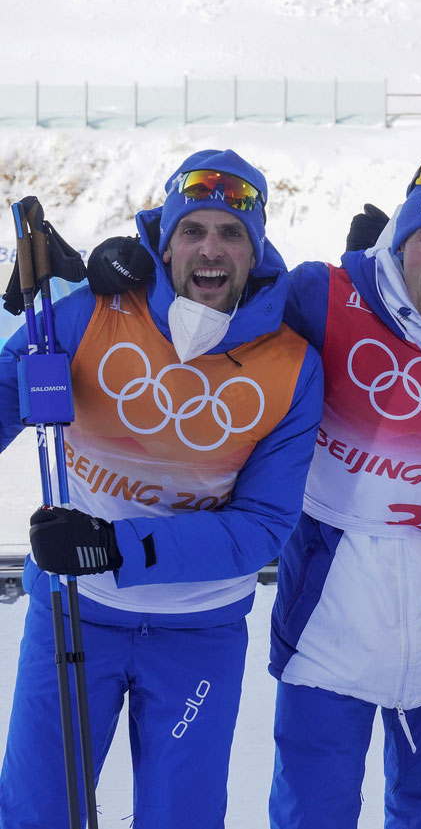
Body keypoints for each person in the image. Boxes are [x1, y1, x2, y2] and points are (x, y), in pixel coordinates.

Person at [85, 153, 421, 828]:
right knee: (314, 806)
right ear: (400, 239)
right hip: (330, 602)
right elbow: (220, 301)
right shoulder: (325, 295)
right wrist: (128, 271)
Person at [0, 149, 324, 828]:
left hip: (197, 628)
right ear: (165, 242)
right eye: (193, 230)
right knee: (37, 811)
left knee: (181, 816)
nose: (211, 248)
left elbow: (260, 527)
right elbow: (10, 388)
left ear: (255, 247)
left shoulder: (291, 365)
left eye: (232, 232)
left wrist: (110, 545)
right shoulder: (92, 309)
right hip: (73, 607)